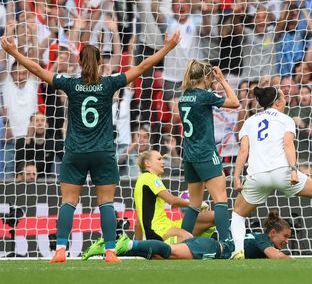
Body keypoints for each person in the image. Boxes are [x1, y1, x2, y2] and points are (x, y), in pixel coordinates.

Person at [0, 31, 180, 264]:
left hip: (76, 151)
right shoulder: (109, 83)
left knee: (68, 201)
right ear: (100, 63)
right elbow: (143, 66)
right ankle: (110, 252)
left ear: (79, 63)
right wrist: (167, 48)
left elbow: (37, 70)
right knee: (105, 202)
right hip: (103, 153)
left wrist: (14, 52)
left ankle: (61, 250)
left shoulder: (71, 84)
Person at [230, 86, 312, 259]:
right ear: (277, 102)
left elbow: (243, 150)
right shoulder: (285, 119)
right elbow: (288, 145)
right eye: (283, 96)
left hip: (257, 175)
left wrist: (237, 177)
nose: (285, 99)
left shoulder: (249, 121)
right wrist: (293, 170)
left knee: (238, 213)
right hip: (281, 171)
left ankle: (238, 251)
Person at [82, 150, 215, 260]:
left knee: (210, 217)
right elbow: (172, 201)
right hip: (160, 230)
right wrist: (195, 204)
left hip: (165, 227)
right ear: (148, 163)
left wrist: (138, 248)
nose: (163, 162)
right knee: (189, 242)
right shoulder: (150, 178)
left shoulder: (142, 182)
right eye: (158, 159)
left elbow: (139, 222)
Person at [178, 60, 239, 243]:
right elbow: (235, 102)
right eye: (211, 78)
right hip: (205, 153)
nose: (212, 81)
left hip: (189, 154)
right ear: (205, 77)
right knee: (220, 199)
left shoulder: (184, 96)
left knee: (195, 204)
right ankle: (227, 242)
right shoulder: (203, 95)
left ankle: (183, 242)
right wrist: (222, 80)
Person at [92, 211, 292, 261]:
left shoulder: (254, 237)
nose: (286, 241)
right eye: (285, 236)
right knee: (169, 252)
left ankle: (109, 249)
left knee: (159, 256)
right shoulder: (262, 240)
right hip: (211, 249)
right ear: (272, 232)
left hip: (208, 245)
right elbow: (276, 256)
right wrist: (292, 261)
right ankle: (127, 243)